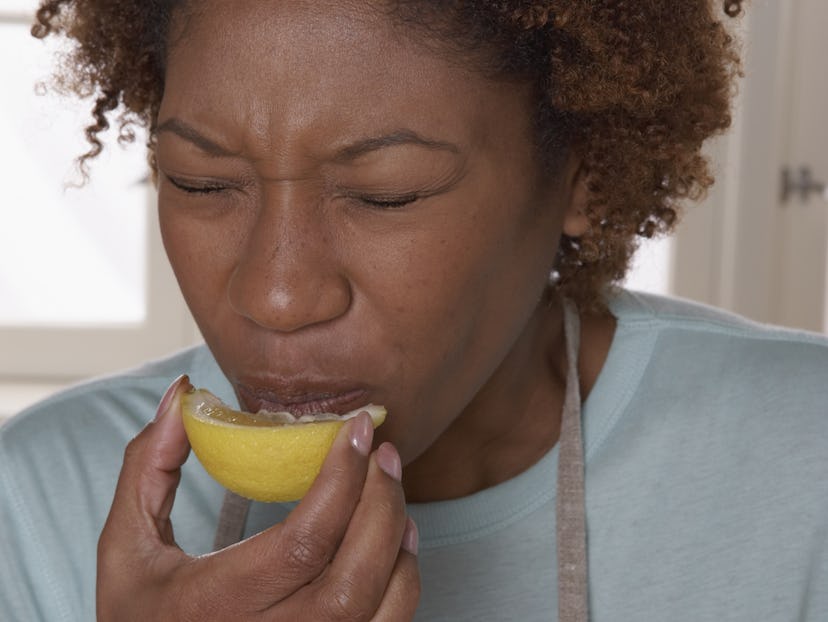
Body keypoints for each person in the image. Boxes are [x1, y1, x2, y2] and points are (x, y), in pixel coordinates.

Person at [2, 1, 826, 620]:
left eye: (384, 195)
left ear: (586, 172)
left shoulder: (804, 463)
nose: (276, 296)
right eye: (201, 182)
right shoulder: (37, 503)